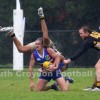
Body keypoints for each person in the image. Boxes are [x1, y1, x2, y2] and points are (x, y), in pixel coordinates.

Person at [64, 26, 100, 91]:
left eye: (81, 33)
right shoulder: (93, 33)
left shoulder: (88, 41)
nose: (80, 35)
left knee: (98, 67)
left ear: (86, 33)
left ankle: (98, 87)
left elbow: (80, 52)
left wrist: (68, 60)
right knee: (98, 67)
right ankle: (95, 87)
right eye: (79, 33)